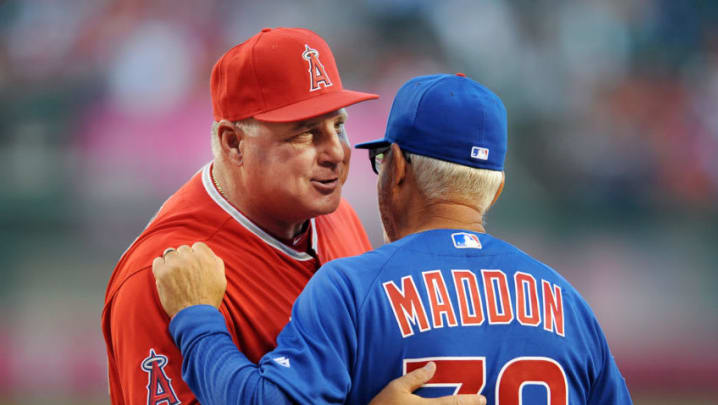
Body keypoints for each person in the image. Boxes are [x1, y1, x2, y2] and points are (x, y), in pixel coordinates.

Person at [152, 73, 633, 404]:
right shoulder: (568, 304)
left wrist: (197, 319)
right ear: (496, 188)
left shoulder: (353, 288)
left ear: (397, 167)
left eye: (380, 161)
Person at [102, 27, 474, 405]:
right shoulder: (167, 276)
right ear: (234, 142)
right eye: (306, 134)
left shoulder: (335, 214)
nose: (336, 153)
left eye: (338, 126)